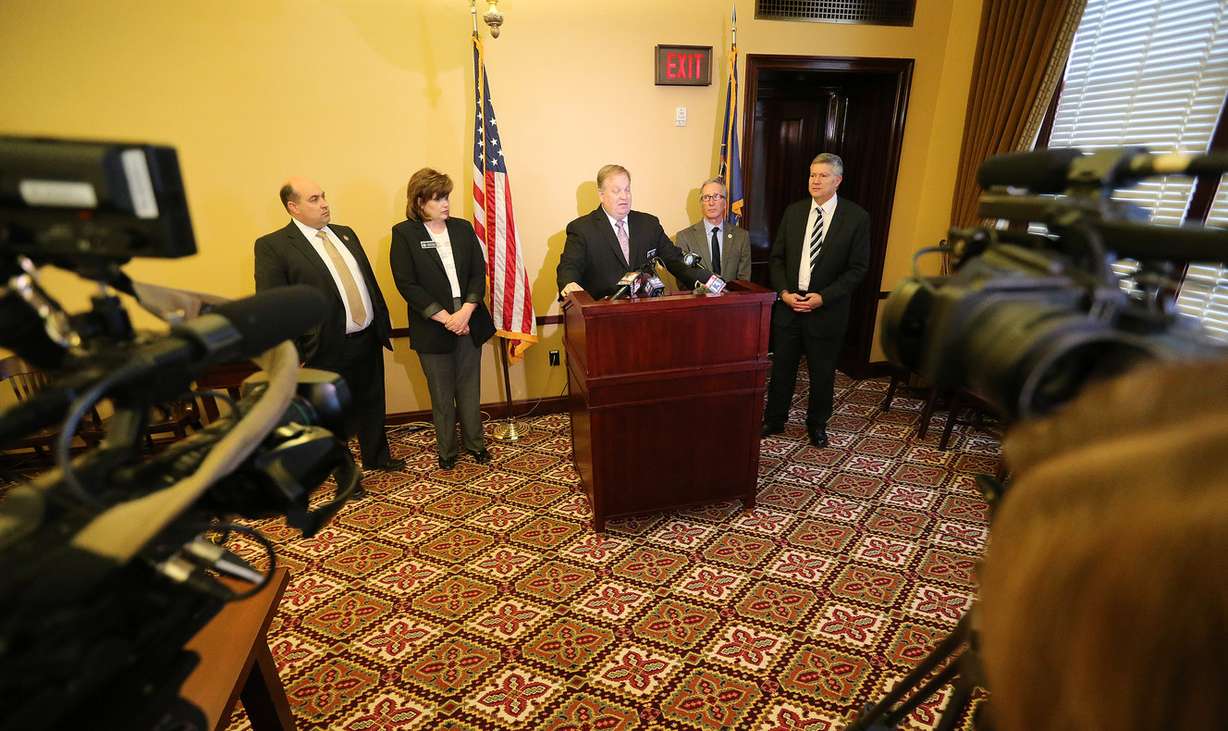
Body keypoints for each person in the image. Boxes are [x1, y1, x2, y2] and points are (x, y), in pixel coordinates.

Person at [254, 177, 404, 472]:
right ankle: (346, 475)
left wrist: (381, 324)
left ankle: (377, 457)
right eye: (314, 199)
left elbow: (367, 282)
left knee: (372, 401)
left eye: (323, 196)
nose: (324, 204)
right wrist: (295, 353)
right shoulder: (274, 246)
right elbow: (274, 306)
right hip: (323, 347)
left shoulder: (345, 234)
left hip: (366, 337)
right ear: (293, 207)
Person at [390, 168, 496, 471]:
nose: (445, 203)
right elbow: (407, 284)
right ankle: (447, 450)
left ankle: (475, 444)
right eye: (437, 198)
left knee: (470, 389)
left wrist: (466, 311)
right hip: (433, 324)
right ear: (419, 201)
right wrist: (446, 318)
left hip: (468, 318)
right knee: (441, 393)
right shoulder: (404, 234)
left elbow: (477, 273)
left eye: (446, 197)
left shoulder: (462, 229)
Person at [762, 153, 870, 447]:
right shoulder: (794, 212)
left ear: (838, 180)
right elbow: (777, 258)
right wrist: (783, 293)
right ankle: (775, 419)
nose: (815, 181)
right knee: (782, 369)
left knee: (822, 373)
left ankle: (817, 424)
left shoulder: (856, 218)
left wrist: (823, 297)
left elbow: (858, 268)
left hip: (826, 310)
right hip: (789, 306)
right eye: (812, 175)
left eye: (823, 176)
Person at [557, 164, 705, 299]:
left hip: (645, 310)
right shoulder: (582, 229)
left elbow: (675, 260)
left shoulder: (649, 224)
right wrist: (569, 284)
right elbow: (569, 267)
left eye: (627, 189)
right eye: (616, 191)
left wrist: (708, 281)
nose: (624, 196)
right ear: (601, 195)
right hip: (603, 312)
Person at [673, 177, 752, 286]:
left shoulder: (741, 236)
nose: (711, 202)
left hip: (733, 297)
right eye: (706, 197)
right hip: (699, 296)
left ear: (725, 203)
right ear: (701, 203)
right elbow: (683, 281)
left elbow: (744, 280)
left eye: (716, 196)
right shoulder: (684, 237)